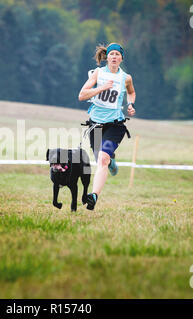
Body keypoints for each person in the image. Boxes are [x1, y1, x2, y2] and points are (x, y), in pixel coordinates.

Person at [78, 43, 136, 210]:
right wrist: (101, 88)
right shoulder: (98, 73)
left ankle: (93, 196)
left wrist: (130, 104)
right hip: (95, 125)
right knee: (102, 160)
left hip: (115, 125)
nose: (114, 57)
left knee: (102, 158)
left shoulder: (126, 78)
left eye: (118, 54)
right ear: (107, 57)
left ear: (121, 58)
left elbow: (131, 92)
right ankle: (111, 163)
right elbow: (82, 95)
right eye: (112, 54)